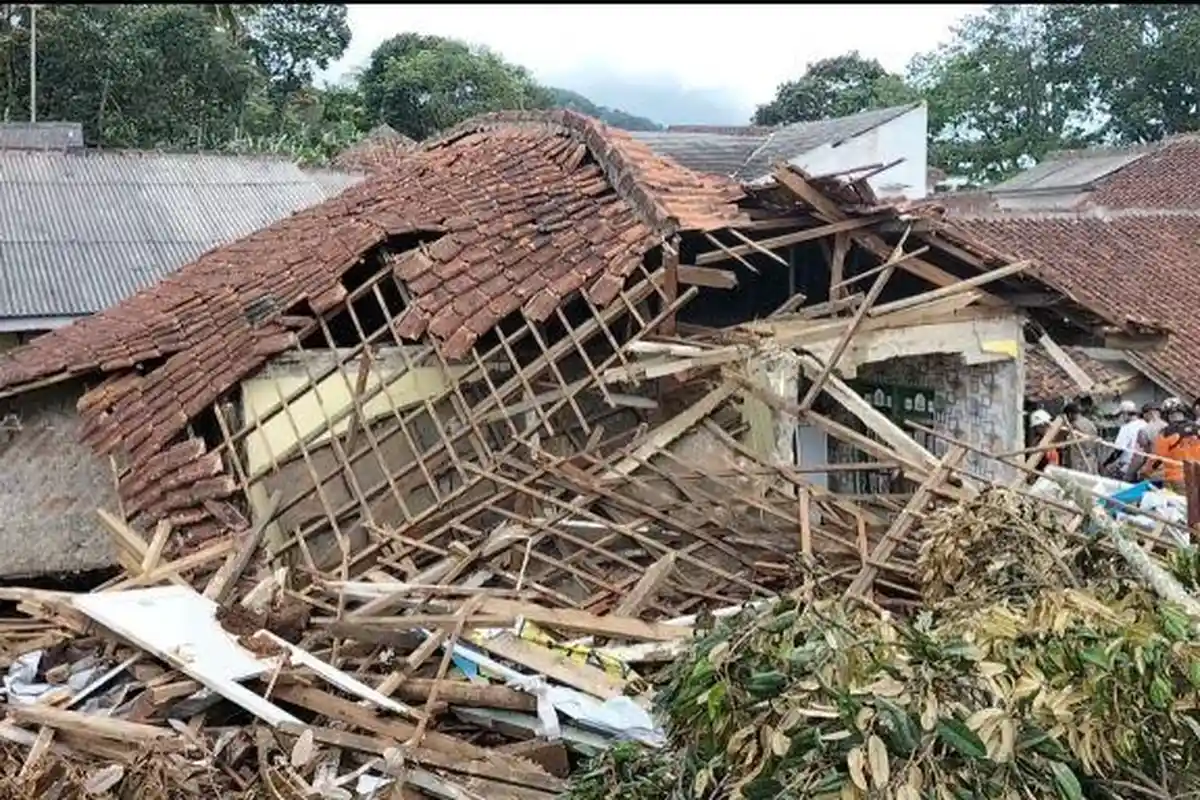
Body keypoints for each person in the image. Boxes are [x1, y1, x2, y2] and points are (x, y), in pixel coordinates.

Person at [1142, 397, 1198, 491]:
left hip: (1178, 479)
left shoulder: (1166, 433)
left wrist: (1146, 472)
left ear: (1166, 414)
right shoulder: (1197, 428)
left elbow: (1157, 458)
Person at [1104, 399, 1146, 480]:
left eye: (1120, 415)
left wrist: (1106, 463)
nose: (1120, 418)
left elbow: (1118, 450)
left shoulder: (1126, 428)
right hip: (1142, 467)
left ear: (1125, 414)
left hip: (1127, 466)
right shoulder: (1144, 424)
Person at [1129, 401, 1165, 481]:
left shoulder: (1144, 431)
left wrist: (1129, 475)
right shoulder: (1170, 427)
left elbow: (1139, 457)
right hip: (1171, 473)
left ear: (1148, 414)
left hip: (1154, 474)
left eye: (1143, 415)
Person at [1062, 400, 1100, 473]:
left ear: (1069, 414)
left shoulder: (1073, 426)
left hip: (1080, 463)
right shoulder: (1090, 423)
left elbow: (1068, 446)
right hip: (1092, 461)